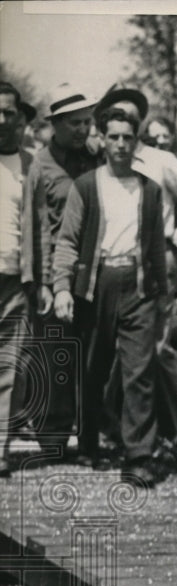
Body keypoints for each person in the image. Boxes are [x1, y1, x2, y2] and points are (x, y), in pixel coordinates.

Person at [50, 106, 168, 486]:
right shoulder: (86, 185)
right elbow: (67, 241)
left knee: (140, 372)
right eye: (113, 136)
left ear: (137, 142)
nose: (120, 144)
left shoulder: (150, 190)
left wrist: (162, 296)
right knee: (93, 367)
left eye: (128, 138)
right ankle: (88, 443)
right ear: (102, 139)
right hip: (95, 286)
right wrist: (63, 288)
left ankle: (139, 456)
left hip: (137, 286)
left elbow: (155, 249)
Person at [93, 87, 177, 452]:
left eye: (133, 115)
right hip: (111, 263)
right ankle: (111, 423)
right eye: (117, 115)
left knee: (159, 349)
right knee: (114, 350)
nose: (126, 123)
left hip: (155, 259)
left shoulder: (159, 161)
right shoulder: (103, 159)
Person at [25, 83, 102, 455]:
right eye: (75, 123)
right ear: (55, 124)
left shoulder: (95, 160)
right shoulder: (40, 167)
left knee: (91, 354)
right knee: (54, 351)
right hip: (54, 272)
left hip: (92, 271)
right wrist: (44, 283)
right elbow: (38, 228)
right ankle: (52, 434)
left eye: (88, 122)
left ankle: (92, 431)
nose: (84, 129)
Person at [0, 82, 37, 477]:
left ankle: (0, 449)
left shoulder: (31, 165)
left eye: (9, 113)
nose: (1, 120)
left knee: (9, 365)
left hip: (14, 278)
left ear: (20, 119)